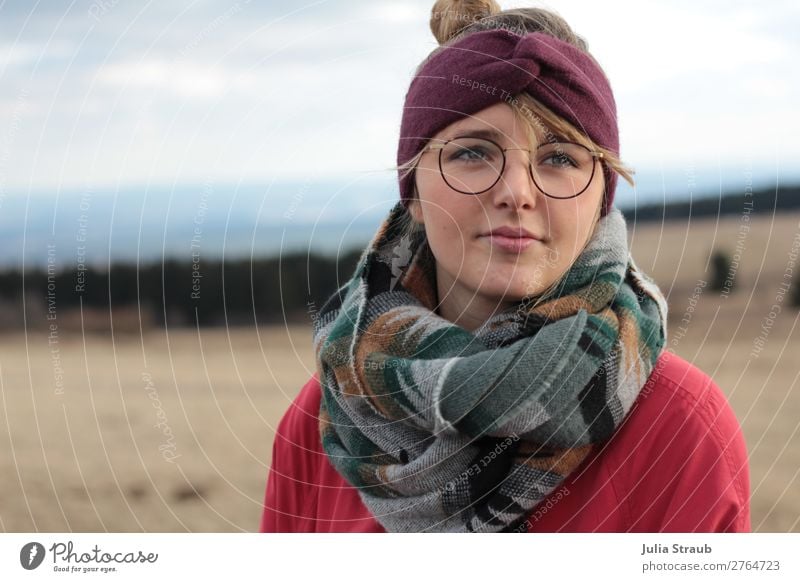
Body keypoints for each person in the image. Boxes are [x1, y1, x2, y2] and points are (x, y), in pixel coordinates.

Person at [259, 0, 750, 533]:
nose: (517, 193)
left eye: (560, 157)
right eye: (473, 152)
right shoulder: (327, 416)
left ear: (601, 199)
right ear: (414, 192)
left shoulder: (679, 424)